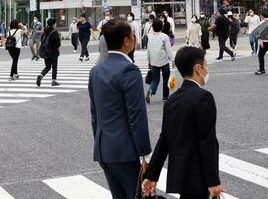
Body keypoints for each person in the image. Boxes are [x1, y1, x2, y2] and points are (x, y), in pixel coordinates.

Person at [142, 46, 223, 199]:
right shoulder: (203, 97)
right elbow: (207, 141)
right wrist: (213, 181)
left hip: (179, 174)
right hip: (197, 177)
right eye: (206, 65)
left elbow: (164, 139)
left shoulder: (172, 99)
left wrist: (152, 175)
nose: (207, 70)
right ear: (198, 68)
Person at [88, 19, 151, 199]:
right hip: (126, 152)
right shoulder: (129, 70)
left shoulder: (96, 70)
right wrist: (145, 153)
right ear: (126, 41)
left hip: (104, 149)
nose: (134, 38)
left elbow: (95, 115)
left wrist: (100, 144)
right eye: (132, 35)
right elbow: (137, 116)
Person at [146, 17, 174, 104]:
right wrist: (173, 60)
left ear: (153, 27)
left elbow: (148, 50)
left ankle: (151, 90)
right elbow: (168, 49)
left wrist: (149, 61)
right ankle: (165, 97)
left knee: (155, 79)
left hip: (154, 61)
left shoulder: (150, 37)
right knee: (166, 79)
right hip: (164, 61)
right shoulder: (164, 37)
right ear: (161, 27)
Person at [37, 18, 61, 87]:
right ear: (53, 24)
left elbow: (42, 40)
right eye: (55, 23)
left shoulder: (45, 32)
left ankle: (41, 76)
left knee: (47, 67)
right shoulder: (54, 32)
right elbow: (57, 44)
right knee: (54, 67)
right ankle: (54, 81)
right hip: (53, 52)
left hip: (46, 52)